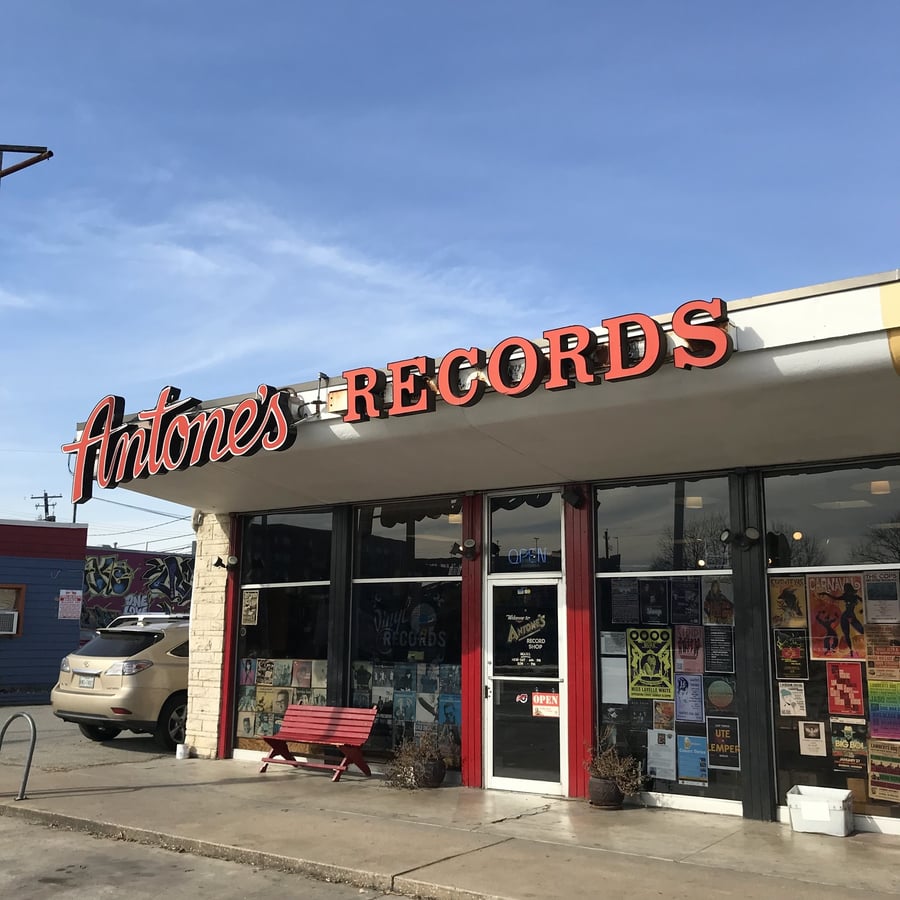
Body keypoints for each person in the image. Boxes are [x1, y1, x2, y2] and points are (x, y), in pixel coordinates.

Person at [818, 582, 864, 656]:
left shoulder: (856, 597)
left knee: (861, 630)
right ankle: (851, 650)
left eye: (846, 589)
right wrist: (826, 594)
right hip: (845, 616)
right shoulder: (845, 596)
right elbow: (835, 598)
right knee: (846, 634)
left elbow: (865, 602)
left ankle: (853, 650)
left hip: (851, 616)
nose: (846, 591)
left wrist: (863, 610)